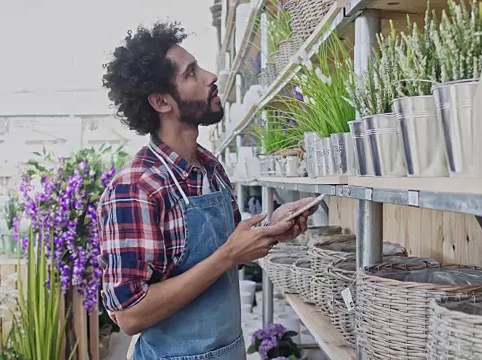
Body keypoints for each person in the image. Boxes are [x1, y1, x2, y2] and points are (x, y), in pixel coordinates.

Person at [98, 21, 317, 360]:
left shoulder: (209, 167)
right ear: (161, 102)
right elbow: (130, 314)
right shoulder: (136, 187)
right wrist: (227, 255)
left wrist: (271, 230)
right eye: (191, 74)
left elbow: (226, 257)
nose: (210, 76)